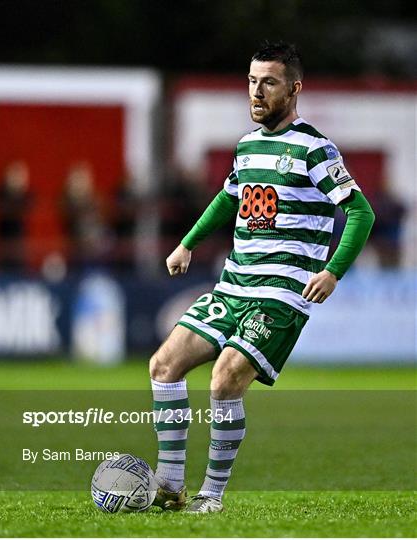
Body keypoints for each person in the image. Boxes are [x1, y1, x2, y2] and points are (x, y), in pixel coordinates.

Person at [149, 41, 375, 513]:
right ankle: (169, 485)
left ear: (293, 89)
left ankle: (211, 496)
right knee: (163, 366)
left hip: (279, 296)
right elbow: (228, 198)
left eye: (268, 82)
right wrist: (187, 242)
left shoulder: (315, 148)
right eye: (252, 81)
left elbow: (361, 213)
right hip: (232, 287)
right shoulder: (247, 145)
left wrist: (332, 272)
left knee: (224, 379)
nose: (256, 91)